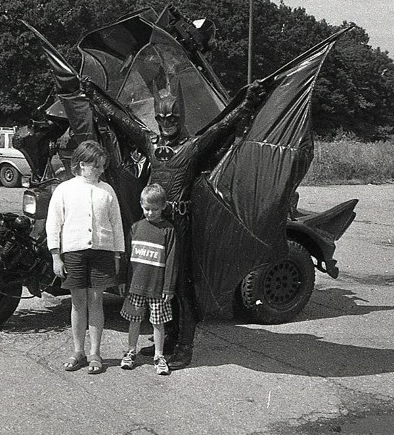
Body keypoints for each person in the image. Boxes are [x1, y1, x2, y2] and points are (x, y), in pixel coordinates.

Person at [82, 78, 267, 370]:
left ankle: (184, 347)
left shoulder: (193, 145)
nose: (166, 122)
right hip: (154, 223)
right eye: (161, 117)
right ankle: (166, 340)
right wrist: (94, 95)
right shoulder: (150, 141)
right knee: (156, 283)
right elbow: (120, 119)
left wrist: (248, 102)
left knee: (181, 285)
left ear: (180, 117)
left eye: (171, 117)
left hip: (180, 224)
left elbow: (222, 127)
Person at [46, 140, 125, 375]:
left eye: (102, 166)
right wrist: (55, 256)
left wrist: (117, 253)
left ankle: (95, 353)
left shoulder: (107, 190)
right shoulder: (65, 189)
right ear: (82, 164)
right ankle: (78, 351)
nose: (101, 170)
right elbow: (54, 223)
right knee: (78, 302)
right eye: (97, 166)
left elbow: (116, 224)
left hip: (102, 252)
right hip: (74, 252)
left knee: (96, 301)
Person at [119, 183, 176, 375]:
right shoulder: (136, 228)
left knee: (157, 322)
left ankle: (159, 355)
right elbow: (128, 258)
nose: (150, 213)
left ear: (163, 207)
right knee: (134, 319)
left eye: (155, 209)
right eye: (146, 209)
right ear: (141, 205)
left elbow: (171, 261)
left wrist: (168, 288)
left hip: (158, 287)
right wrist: (123, 282)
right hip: (136, 286)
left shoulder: (168, 231)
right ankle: (130, 350)